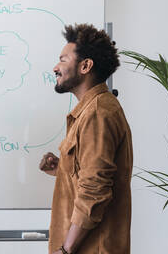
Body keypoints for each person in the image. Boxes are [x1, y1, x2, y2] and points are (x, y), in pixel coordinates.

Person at [39, 24, 133, 254]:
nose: (55, 67)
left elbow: (95, 189)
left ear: (85, 66)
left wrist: (66, 249)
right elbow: (90, 173)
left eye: (63, 60)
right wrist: (62, 168)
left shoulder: (98, 112)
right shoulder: (90, 111)